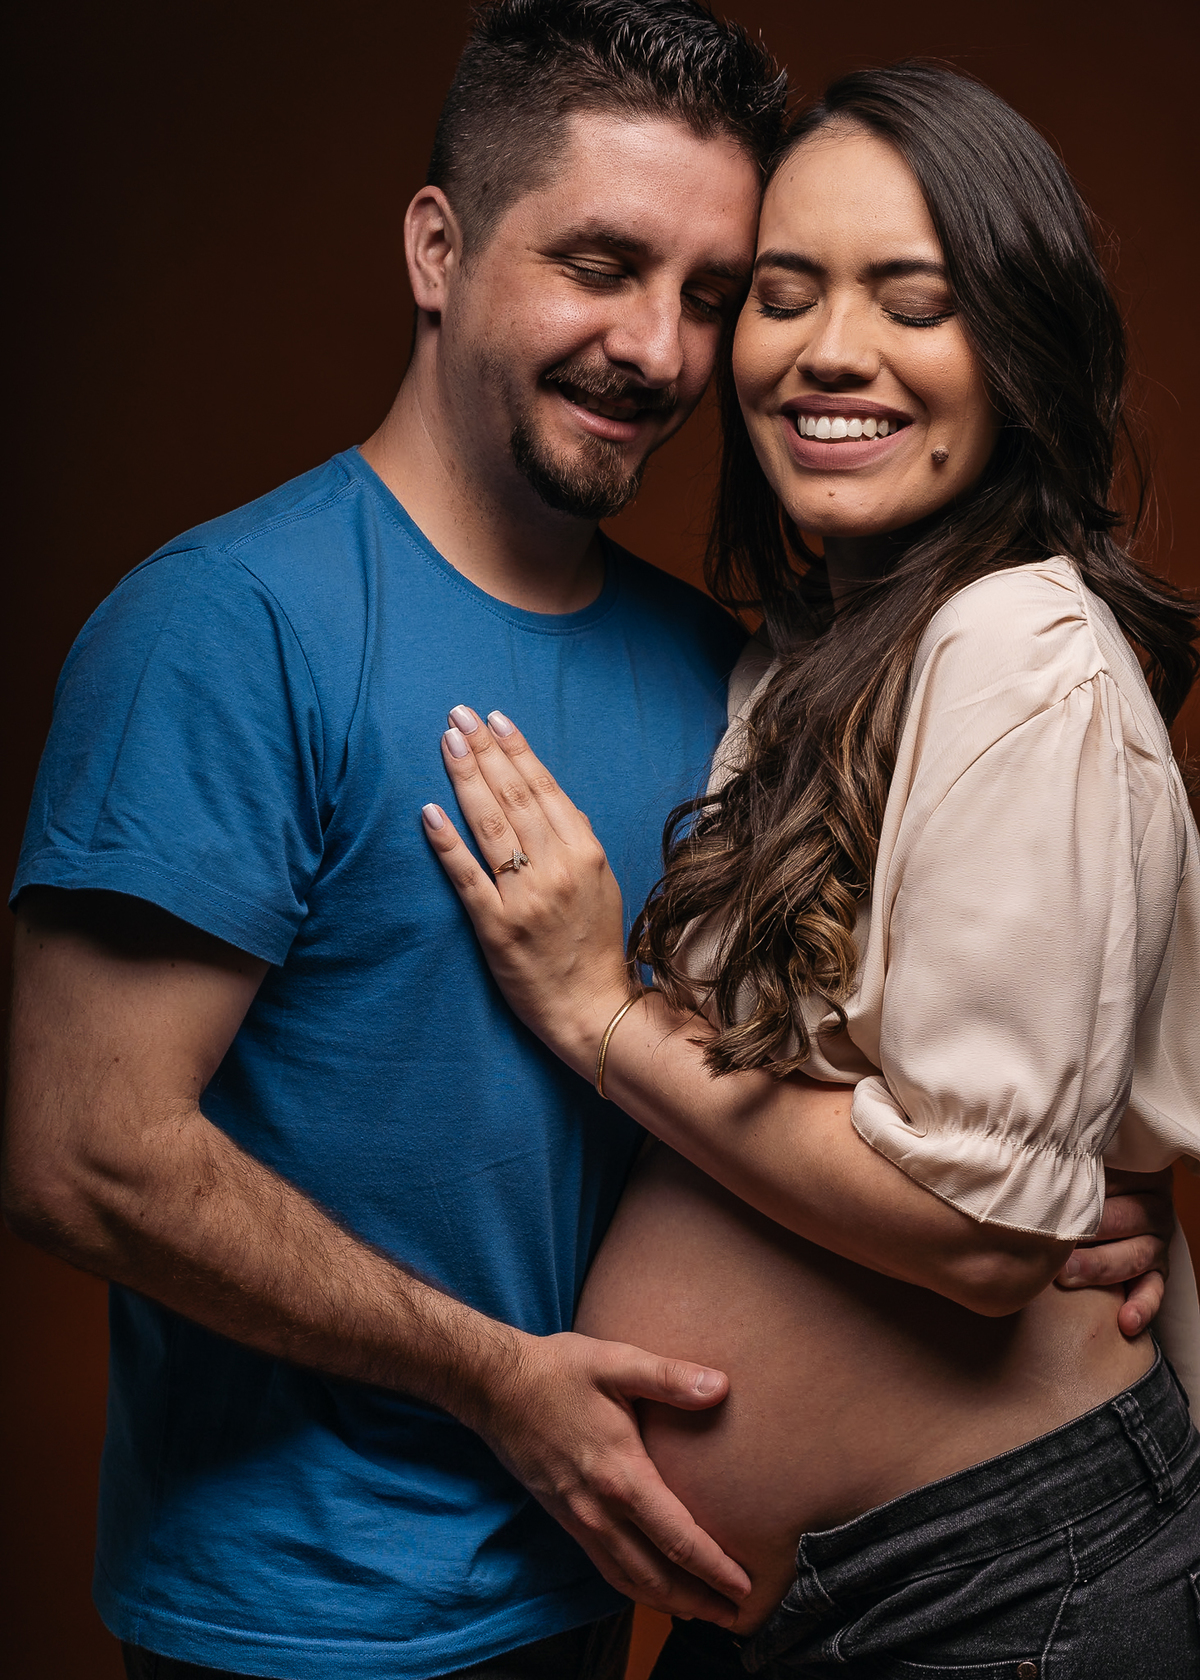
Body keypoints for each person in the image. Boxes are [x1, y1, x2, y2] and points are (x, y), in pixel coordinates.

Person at [3, 4, 791, 1676]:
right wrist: (495, 1382)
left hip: (598, 1576)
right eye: (600, 265)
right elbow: (82, 1154)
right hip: (298, 1618)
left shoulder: (717, 671)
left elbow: (746, 1094)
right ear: (439, 247)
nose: (659, 349)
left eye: (709, 293)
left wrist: (1014, 1225)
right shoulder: (230, 625)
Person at [422, 62, 1200, 1677]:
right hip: (834, 1595)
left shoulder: (1017, 650)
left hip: (1003, 1585)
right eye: (781, 296)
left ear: (1017, 350)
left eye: (912, 302)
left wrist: (599, 1013)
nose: (831, 351)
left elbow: (977, 1232)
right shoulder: (812, 658)